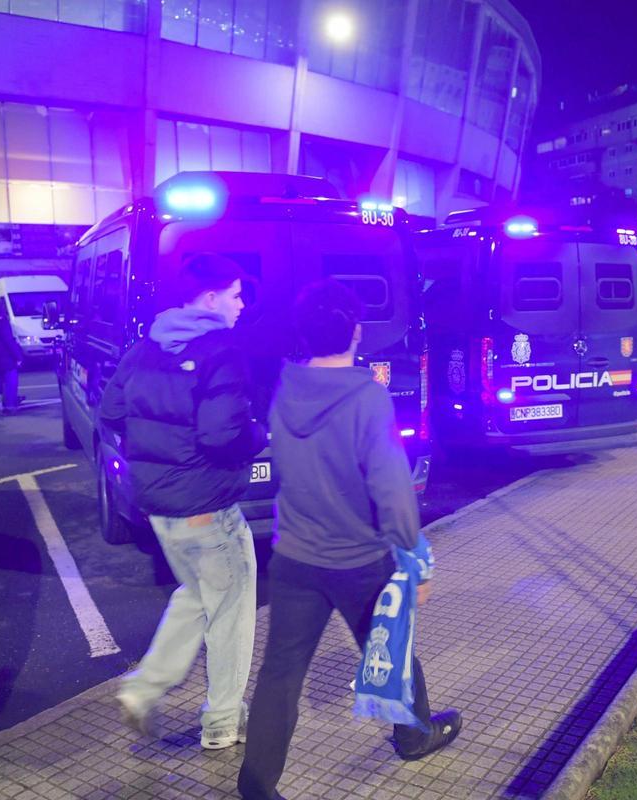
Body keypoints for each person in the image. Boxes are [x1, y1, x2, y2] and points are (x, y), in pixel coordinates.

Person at [238, 279, 461, 800]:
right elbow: (392, 489)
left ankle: (256, 786)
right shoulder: (367, 396)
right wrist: (417, 561)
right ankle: (414, 735)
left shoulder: (286, 388)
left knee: (280, 675)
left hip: (294, 558)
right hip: (359, 559)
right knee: (391, 650)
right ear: (356, 331)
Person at [102, 254, 265, 750]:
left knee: (197, 596)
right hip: (207, 505)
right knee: (230, 609)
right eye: (235, 295)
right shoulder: (220, 352)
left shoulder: (145, 347)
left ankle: (142, 690)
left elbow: (111, 410)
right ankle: (222, 722)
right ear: (211, 298)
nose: (241, 304)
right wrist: (258, 435)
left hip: (160, 506)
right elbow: (221, 434)